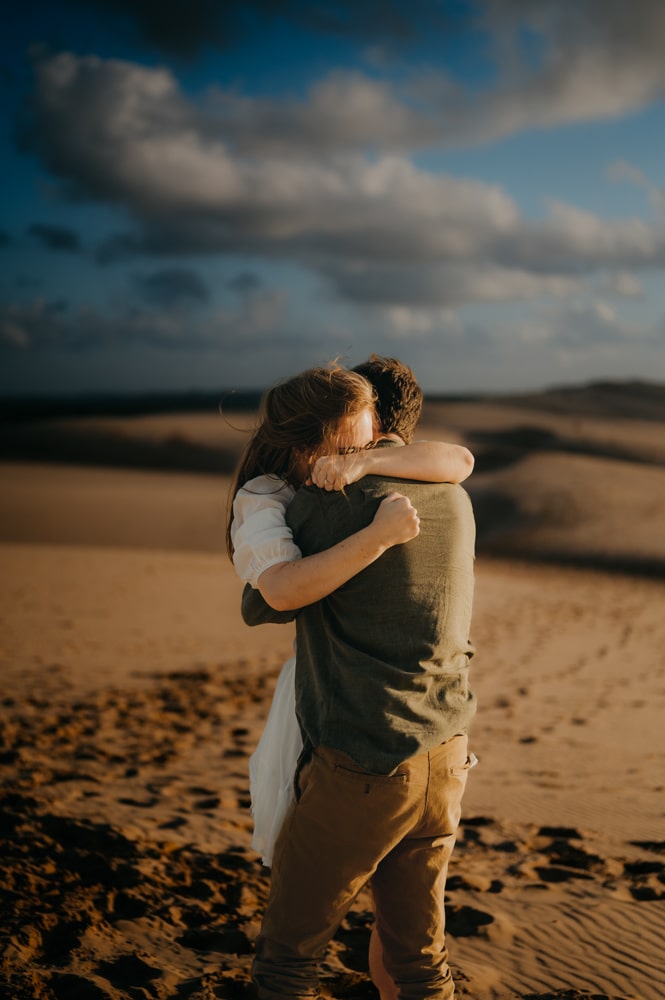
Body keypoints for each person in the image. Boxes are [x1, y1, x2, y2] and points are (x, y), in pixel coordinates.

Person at [243, 362, 478, 1000]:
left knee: (286, 961)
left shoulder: (328, 508)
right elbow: (459, 458)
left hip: (365, 761)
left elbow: (264, 602)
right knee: (420, 961)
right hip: (445, 754)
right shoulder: (455, 499)